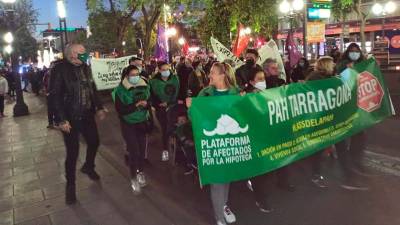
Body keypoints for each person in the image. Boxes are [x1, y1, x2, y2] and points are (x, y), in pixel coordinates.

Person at [52, 44, 107, 204]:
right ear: (72, 54)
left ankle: (88, 166)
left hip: (87, 114)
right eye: (81, 53)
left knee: (94, 142)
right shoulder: (60, 69)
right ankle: (70, 187)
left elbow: (92, 88)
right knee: (73, 152)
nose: (85, 55)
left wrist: (99, 107)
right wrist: (61, 119)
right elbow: (55, 96)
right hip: (70, 117)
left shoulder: (85, 67)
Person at [188, 62, 239, 225]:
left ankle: (223, 205)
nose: (209, 75)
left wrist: (247, 102)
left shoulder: (236, 93)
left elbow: (244, 115)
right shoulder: (205, 93)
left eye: (213, 73)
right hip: (212, 145)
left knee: (227, 177)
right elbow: (195, 117)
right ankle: (219, 217)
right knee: (217, 181)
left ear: (223, 75)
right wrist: (191, 108)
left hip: (231, 144)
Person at [335, 43, 369, 190]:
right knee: (342, 143)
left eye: (357, 51)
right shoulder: (342, 65)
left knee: (360, 138)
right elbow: (338, 82)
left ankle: (355, 166)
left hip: (358, 109)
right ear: (347, 53)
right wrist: (347, 71)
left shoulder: (362, 64)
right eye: (352, 51)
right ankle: (348, 177)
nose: (354, 53)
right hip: (343, 110)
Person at [113, 65, 151, 193]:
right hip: (128, 124)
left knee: (141, 151)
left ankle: (140, 172)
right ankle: (133, 178)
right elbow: (121, 110)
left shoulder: (145, 86)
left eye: (137, 74)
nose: (135, 77)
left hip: (141, 122)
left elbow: (150, 103)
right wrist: (137, 104)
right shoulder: (120, 91)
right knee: (134, 151)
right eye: (132, 75)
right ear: (127, 76)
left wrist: (146, 104)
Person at [305, 56, 336, 188]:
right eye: (332, 64)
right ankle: (315, 174)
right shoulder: (315, 78)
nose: (334, 65)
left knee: (320, 146)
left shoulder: (328, 78)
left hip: (324, 116)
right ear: (326, 65)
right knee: (317, 148)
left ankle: (316, 172)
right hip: (317, 117)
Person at [149, 61, 179, 162]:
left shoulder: (175, 79)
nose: (166, 71)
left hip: (173, 107)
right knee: (165, 129)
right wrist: (159, 104)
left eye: (168, 69)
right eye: (164, 70)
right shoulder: (153, 82)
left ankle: (176, 152)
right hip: (160, 109)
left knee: (173, 128)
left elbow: (179, 93)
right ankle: (165, 150)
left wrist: (170, 102)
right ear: (159, 70)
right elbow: (151, 96)